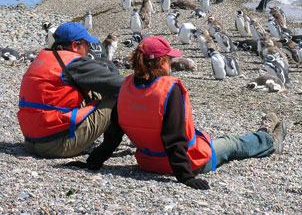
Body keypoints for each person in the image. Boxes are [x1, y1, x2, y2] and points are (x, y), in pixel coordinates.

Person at [69, 36, 287, 190]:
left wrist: (93, 163)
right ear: (162, 62)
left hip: (147, 161)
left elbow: (113, 137)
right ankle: (268, 140)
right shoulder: (169, 89)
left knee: (202, 134)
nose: (172, 62)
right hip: (188, 161)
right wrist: (186, 177)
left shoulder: (125, 87)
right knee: (232, 143)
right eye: (169, 58)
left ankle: (264, 133)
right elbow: (173, 139)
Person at [17, 22, 125, 158]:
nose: (89, 48)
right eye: (87, 44)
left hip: (32, 141)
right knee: (119, 96)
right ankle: (136, 141)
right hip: (56, 146)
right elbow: (119, 84)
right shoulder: (74, 64)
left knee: (94, 89)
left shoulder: (44, 58)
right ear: (75, 46)